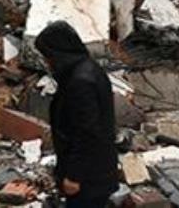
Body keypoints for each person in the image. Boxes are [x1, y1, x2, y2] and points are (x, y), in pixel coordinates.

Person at [35, 21, 119, 208]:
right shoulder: (88, 69)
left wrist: (74, 176)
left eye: (48, 56)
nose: (47, 62)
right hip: (97, 171)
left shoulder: (80, 82)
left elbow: (87, 133)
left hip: (89, 178)